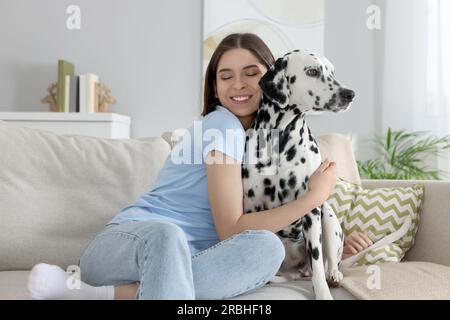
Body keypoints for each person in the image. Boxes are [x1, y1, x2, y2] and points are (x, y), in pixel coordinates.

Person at [26, 33, 365, 300]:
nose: (239, 85)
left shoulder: (260, 141)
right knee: (167, 234)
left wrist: (334, 242)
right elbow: (232, 229)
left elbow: (267, 219)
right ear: (214, 88)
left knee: (265, 249)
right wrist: (312, 198)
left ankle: (94, 295)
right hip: (125, 247)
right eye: (225, 76)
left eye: (251, 74)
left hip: (181, 263)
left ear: (273, 81)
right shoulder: (223, 127)